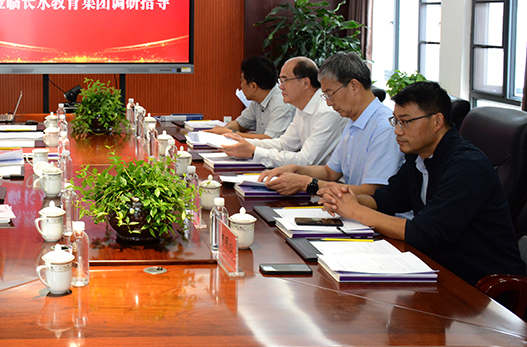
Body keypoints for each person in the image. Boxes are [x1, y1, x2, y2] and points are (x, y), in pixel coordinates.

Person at [321, 81, 525, 286]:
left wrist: (355, 211)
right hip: (436, 267)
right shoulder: (419, 157)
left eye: (406, 122)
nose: (397, 131)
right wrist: (345, 199)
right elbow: (387, 199)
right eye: (396, 121)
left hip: (482, 285)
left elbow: (425, 232)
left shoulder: (467, 167)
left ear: (437, 121)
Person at [257, 52, 401, 196]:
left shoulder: (384, 127)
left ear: (354, 86)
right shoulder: (353, 120)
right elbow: (330, 172)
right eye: (325, 96)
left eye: (330, 94)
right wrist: (296, 169)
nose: (328, 103)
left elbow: (372, 192)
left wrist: (307, 183)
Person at [222, 57, 346, 167]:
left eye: (284, 80)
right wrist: (243, 142)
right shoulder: (303, 107)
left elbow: (306, 160)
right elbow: (284, 144)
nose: (280, 87)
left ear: (305, 83)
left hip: (329, 183)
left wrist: (254, 152)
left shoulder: (326, 111)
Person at [206, 56, 295, 139]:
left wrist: (230, 133)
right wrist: (224, 130)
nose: (241, 86)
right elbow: (240, 124)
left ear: (253, 86)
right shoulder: (257, 101)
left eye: (242, 81)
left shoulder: (281, 104)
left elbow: (269, 139)